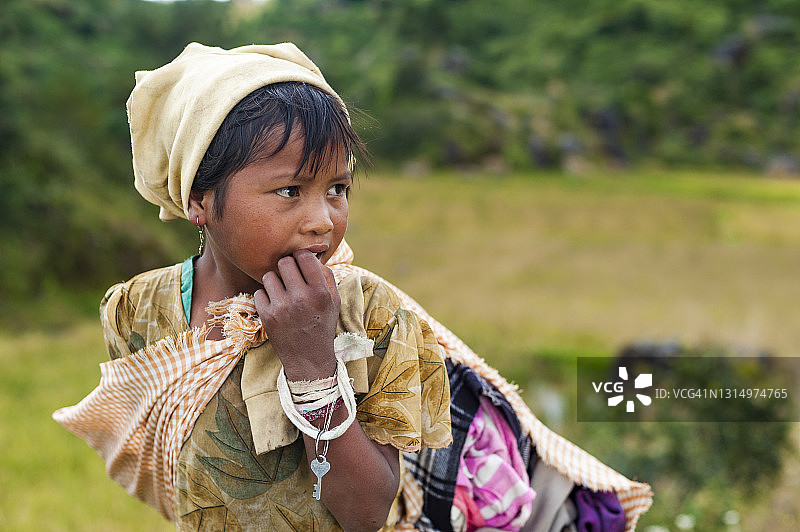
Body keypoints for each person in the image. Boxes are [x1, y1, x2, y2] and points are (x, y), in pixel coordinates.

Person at [54, 43, 652, 532]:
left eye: (337, 188)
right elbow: (170, 470)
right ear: (200, 201)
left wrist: (313, 363)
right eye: (290, 191)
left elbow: (368, 513)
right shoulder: (136, 312)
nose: (323, 220)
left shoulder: (374, 316)